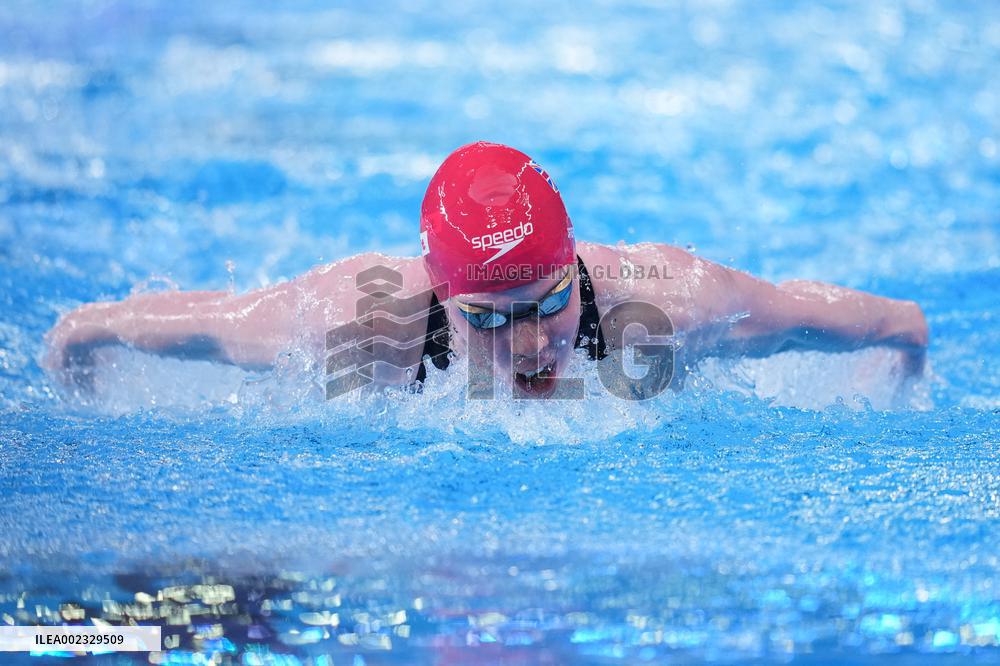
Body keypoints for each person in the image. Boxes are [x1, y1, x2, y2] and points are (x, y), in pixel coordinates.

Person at [44, 142, 929, 400]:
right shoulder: (359, 322)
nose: (535, 341)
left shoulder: (667, 301)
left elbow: (891, 324)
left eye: (547, 304)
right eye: (489, 318)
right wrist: (81, 335)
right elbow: (206, 322)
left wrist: (892, 380)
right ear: (440, 297)